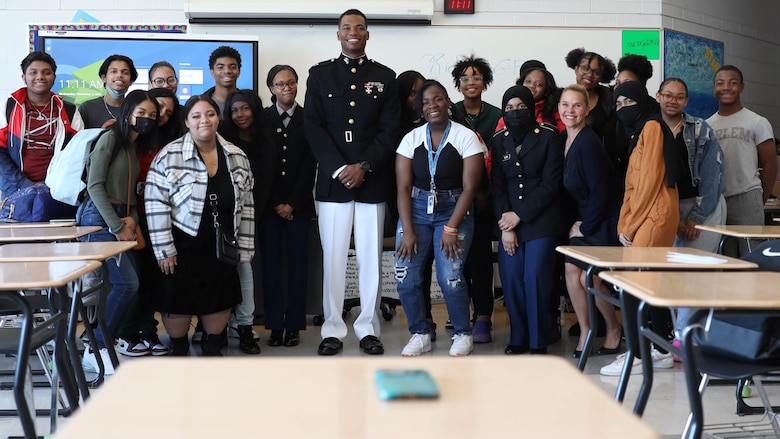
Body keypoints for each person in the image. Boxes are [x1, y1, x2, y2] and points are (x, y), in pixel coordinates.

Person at [304, 9, 400, 356]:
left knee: (371, 259)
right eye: (347, 28)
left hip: (370, 182)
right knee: (333, 257)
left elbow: (390, 130)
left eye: (359, 28)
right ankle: (332, 328)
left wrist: (364, 166)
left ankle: (368, 328)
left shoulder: (384, 76)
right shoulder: (320, 75)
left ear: (368, 34)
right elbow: (313, 127)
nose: (353, 33)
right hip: (333, 185)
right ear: (338, 34)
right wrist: (338, 169)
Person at [145, 94, 255, 357]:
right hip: (180, 248)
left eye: (210, 114)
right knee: (178, 324)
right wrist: (164, 249)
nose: (204, 120)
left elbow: (247, 205)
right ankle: (180, 358)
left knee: (216, 324)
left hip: (222, 248)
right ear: (187, 122)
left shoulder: (236, 156)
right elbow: (155, 204)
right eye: (196, 116)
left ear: (218, 118)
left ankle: (211, 353)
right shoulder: (169, 155)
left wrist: (246, 250)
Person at [394, 79, 482, 357]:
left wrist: (451, 227)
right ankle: (420, 333)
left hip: (454, 209)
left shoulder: (465, 136)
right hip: (416, 211)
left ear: (448, 102)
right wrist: (407, 230)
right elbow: (403, 188)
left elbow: (470, 188)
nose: (433, 105)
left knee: (450, 277)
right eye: (426, 102)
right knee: (405, 276)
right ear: (420, 109)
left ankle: (461, 333)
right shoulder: (411, 138)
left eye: (438, 99)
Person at [600, 80, 680, 376]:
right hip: (646, 215)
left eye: (628, 102)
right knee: (649, 282)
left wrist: (630, 225)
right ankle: (659, 349)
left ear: (643, 101)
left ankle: (636, 352)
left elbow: (648, 184)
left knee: (635, 284)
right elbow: (631, 188)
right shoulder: (639, 131)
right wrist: (625, 223)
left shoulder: (651, 128)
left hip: (655, 215)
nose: (623, 108)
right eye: (618, 104)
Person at [77, 89, 160, 373]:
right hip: (99, 218)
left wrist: (132, 221)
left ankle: (98, 343)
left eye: (152, 115)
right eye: (141, 114)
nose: (146, 119)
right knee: (127, 284)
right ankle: (95, 346)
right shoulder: (110, 139)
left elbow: (132, 193)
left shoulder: (133, 148)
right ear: (128, 113)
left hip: (121, 218)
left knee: (123, 285)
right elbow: (94, 186)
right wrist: (116, 225)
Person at [490, 85, 564, 355]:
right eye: (509, 108)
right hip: (509, 223)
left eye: (521, 107)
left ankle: (537, 342)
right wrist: (506, 225)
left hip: (541, 220)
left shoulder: (548, 136)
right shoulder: (499, 139)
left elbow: (551, 183)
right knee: (511, 281)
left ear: (531, 107)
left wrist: (520, 214)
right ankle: (518, 338)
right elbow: (497, 185)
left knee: (534, 279)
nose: (515, 112)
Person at [657, 77, 726, 356]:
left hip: (703, 208)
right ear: (658, 96)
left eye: (680, 97)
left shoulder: (700, 129)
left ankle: (687, 339)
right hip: (668, 208)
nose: (673, 101)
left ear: (686, 101)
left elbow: (712, 177)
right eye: (668, 95)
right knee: (671, 276)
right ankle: (679, 333)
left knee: (695, 274)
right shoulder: (650, 128)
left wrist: (695, 217)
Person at [113, 87, 182, 357]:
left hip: (163, 222)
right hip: (132, 219)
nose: (161, 115)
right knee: (136, 280)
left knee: (153, 282)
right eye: (156, 110)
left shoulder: (174, 142)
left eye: (167, 111)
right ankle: (126, 333)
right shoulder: (130, 138)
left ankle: (148, 332)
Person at [558, 84, 623, 358]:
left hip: (600, 219)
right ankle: (585, 329)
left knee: (590, 277)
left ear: (586, 109)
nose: (570, 111)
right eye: (565, 104)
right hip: (583, 217)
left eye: (576, 105)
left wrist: (585, 226)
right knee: (572, 272)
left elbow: (601, 191)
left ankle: (613, 328)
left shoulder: (588, 141)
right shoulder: (565, 137)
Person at [260, 65, 316, 348]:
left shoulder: (310, 118)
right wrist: (274, 203)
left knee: (297, 267)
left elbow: (310, 166)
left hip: (300, 207)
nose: (287, 88)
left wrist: (292, 203)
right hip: (268, 207)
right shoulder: (262, 119)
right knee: (271, 268)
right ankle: (274, 325)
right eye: (281, 84)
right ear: (271, 88)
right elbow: (259, 166)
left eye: (292, 83)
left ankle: (294, 325)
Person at [218, 89, 275, 355]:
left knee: (245, 270)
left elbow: (266, 182)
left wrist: (254, 213)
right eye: (234, 110)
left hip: (255, 213)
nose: (240, 115)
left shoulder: (267, 139)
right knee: (222, 272)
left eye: (245, 108)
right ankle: (219, 327)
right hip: (225, 214)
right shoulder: (223, 140)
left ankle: (245, 327)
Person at [0, 51, 81, 219]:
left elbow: (78, 155)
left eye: (46, 72)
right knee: (19, 243)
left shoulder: (69, 110)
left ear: (54, 76)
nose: (40, 77)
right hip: (16, 191)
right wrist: (22, 184)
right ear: (24, 77)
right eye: (33, 72)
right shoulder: (8, 107)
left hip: (56, 192)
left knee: (57, 243)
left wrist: (50, 185)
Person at [451, 55, 498, 342]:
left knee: (480, 257)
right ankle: (460, 313)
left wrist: (484, 192)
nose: (471, 82)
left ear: (485, 82)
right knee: (458, 259)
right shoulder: (449, 111)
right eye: (465, 78)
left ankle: (483, 316)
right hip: (454, 198)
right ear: (458, 84)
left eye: (477, 77)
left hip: (486, 197)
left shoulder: (496, 114)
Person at [707, 65, 776, 256]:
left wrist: (759, 198)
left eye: (733, 83)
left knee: (751, 253)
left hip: (747, 195)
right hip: (718, 199)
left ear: (742, 87)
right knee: (723, 256)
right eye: (720, 83)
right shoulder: (707, 125)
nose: (726, 87)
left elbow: (770, 166)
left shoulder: (757, 122)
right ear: (714, 88)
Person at [604, 54, 655, 178]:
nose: (620, 88)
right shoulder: (612, 116)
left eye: (627, 83)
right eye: (617, 83)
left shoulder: (655, 117)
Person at [564, 48, 616, 140]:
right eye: (585, 68)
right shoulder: (561, 97)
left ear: (601, 76)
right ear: (576, 69)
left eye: (597, 72)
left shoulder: (609, 101)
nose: (590, 74)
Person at [78, 54, 138, 128]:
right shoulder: (87, 108)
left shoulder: (136, 109)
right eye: (114, 71)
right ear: (104, 78)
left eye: (125, 72)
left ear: (131, 81)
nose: (119, 75)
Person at [204, 46, 241, 118]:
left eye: (233, 67)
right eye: (220, 67)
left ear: (239, 72)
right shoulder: (200, 104)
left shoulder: (249, 104)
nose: (227, 71)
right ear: (212, 72)